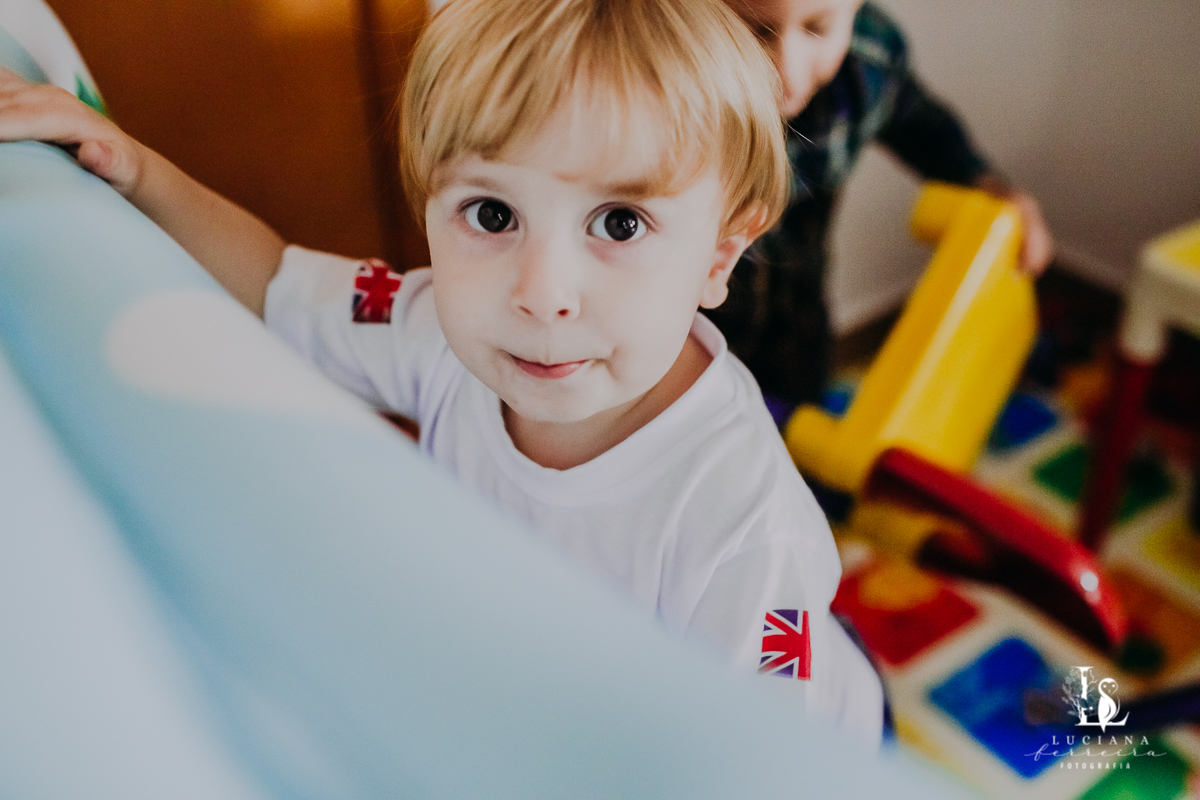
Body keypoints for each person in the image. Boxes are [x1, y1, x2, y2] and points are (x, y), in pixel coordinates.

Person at [0, 0, 884, 741]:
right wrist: (134, 171)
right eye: (492, 213)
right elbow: (274, 281)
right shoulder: (433, 332)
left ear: (721, 255)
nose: (540, 296)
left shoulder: (741, 527)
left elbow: (756, 762)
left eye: (619, 225)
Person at [710, 0, 1055, 405]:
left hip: (800, 312)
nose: (788, 72)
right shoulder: (660, 91)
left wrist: (989, 187)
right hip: (690, 329)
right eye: (756, 31)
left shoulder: (869, 60)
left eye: (818, 27)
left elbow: (922, 125)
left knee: (798, 417)